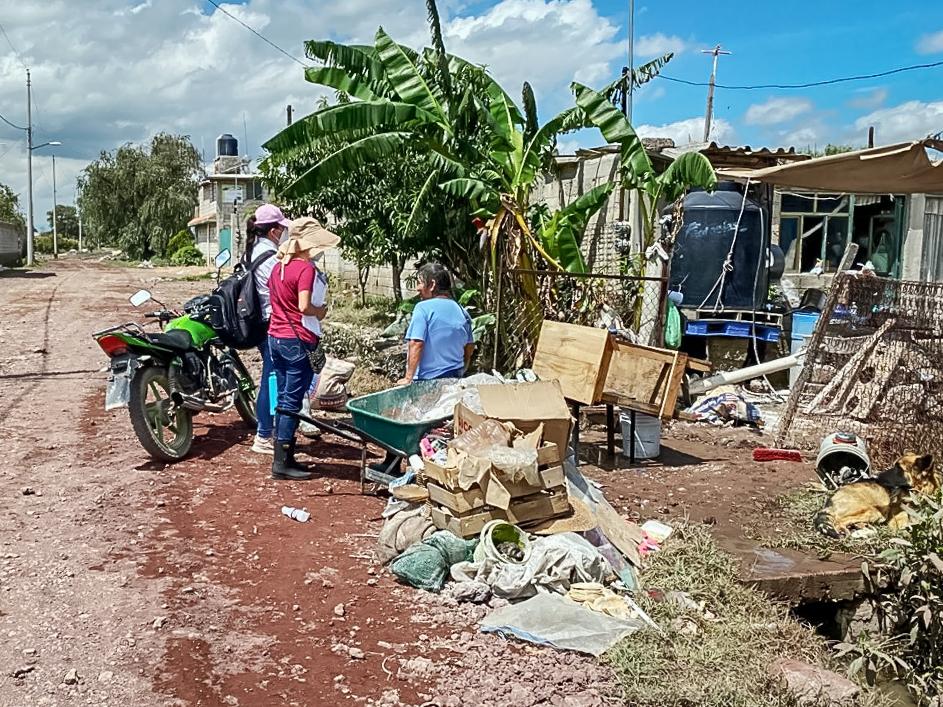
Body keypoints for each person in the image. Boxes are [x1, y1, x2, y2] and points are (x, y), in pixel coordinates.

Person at [267, 217, 339, 480]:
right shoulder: (305, 269)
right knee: (292, 399)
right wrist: (321, 311)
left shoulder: (278, 268)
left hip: (276, 337)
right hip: (298, 339)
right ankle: (281, 462)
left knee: (285, 396)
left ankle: (284, 455)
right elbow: (304, 306)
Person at [245, 204, 291, 456]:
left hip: (262, 321)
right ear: (273, 231)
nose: (284, 232)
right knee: (272, 377)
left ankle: (270, 429)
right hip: (271, 322)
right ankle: (264, 433)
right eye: (282, 228)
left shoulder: (255, 250)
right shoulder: (271, 257)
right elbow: (282, 288)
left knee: (273, 376)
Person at [397, 262, 475, 386]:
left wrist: (408, 377)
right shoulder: (461, 310)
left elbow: (416, 343)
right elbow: (470, 346)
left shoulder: (422, 308)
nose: (417, 288)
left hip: (427, 382)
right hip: (455, 378)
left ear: (432, 285)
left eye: (420, 282)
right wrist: (462, 369)